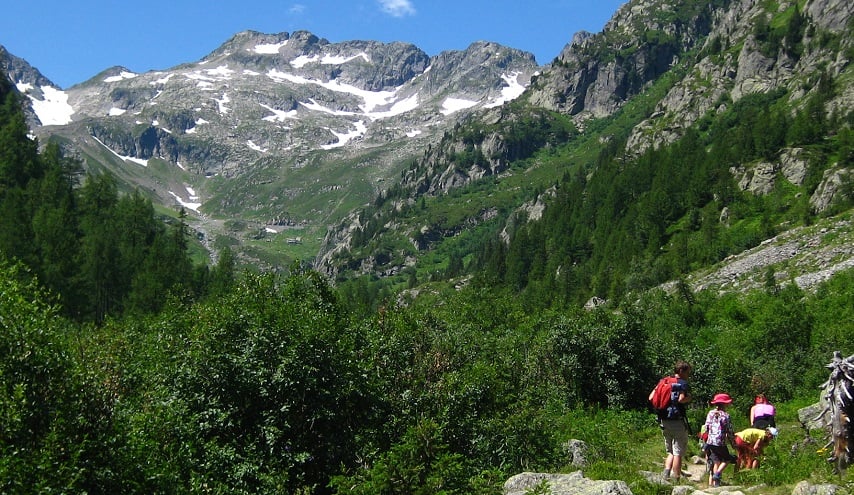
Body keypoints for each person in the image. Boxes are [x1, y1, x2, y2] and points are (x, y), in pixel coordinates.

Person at [649, 360, 692, 482]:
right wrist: (689, 398)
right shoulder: (681, 383)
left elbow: (651, 397)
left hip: (663, 420)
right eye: (687, 373)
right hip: (676, 421)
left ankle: (666, 473)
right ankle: (676, 478)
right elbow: (681, 399)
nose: (688, 376)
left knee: (671, 451)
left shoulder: (663, 381)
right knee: (678, 450)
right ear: (681, 371)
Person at [704, 393, 737, 487]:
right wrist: (733, 444)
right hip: (720, 442)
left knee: (716, 461)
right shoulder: (726, 416)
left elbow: (706, 427)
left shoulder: (710, 413)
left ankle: (715, 484)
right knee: (727, 458)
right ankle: (717, 475)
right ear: (725, 404)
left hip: (710, 441)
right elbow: (730, 431)